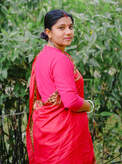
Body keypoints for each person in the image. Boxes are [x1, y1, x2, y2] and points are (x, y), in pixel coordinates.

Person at [26, 9, 96, 164]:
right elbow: (71, 101)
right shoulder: (60, 59)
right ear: (48, 32)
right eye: (61, 28)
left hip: (46, 132)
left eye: (70, 27)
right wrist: (88, 105)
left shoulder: (42, 56)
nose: (68, 32)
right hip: (64, 138)